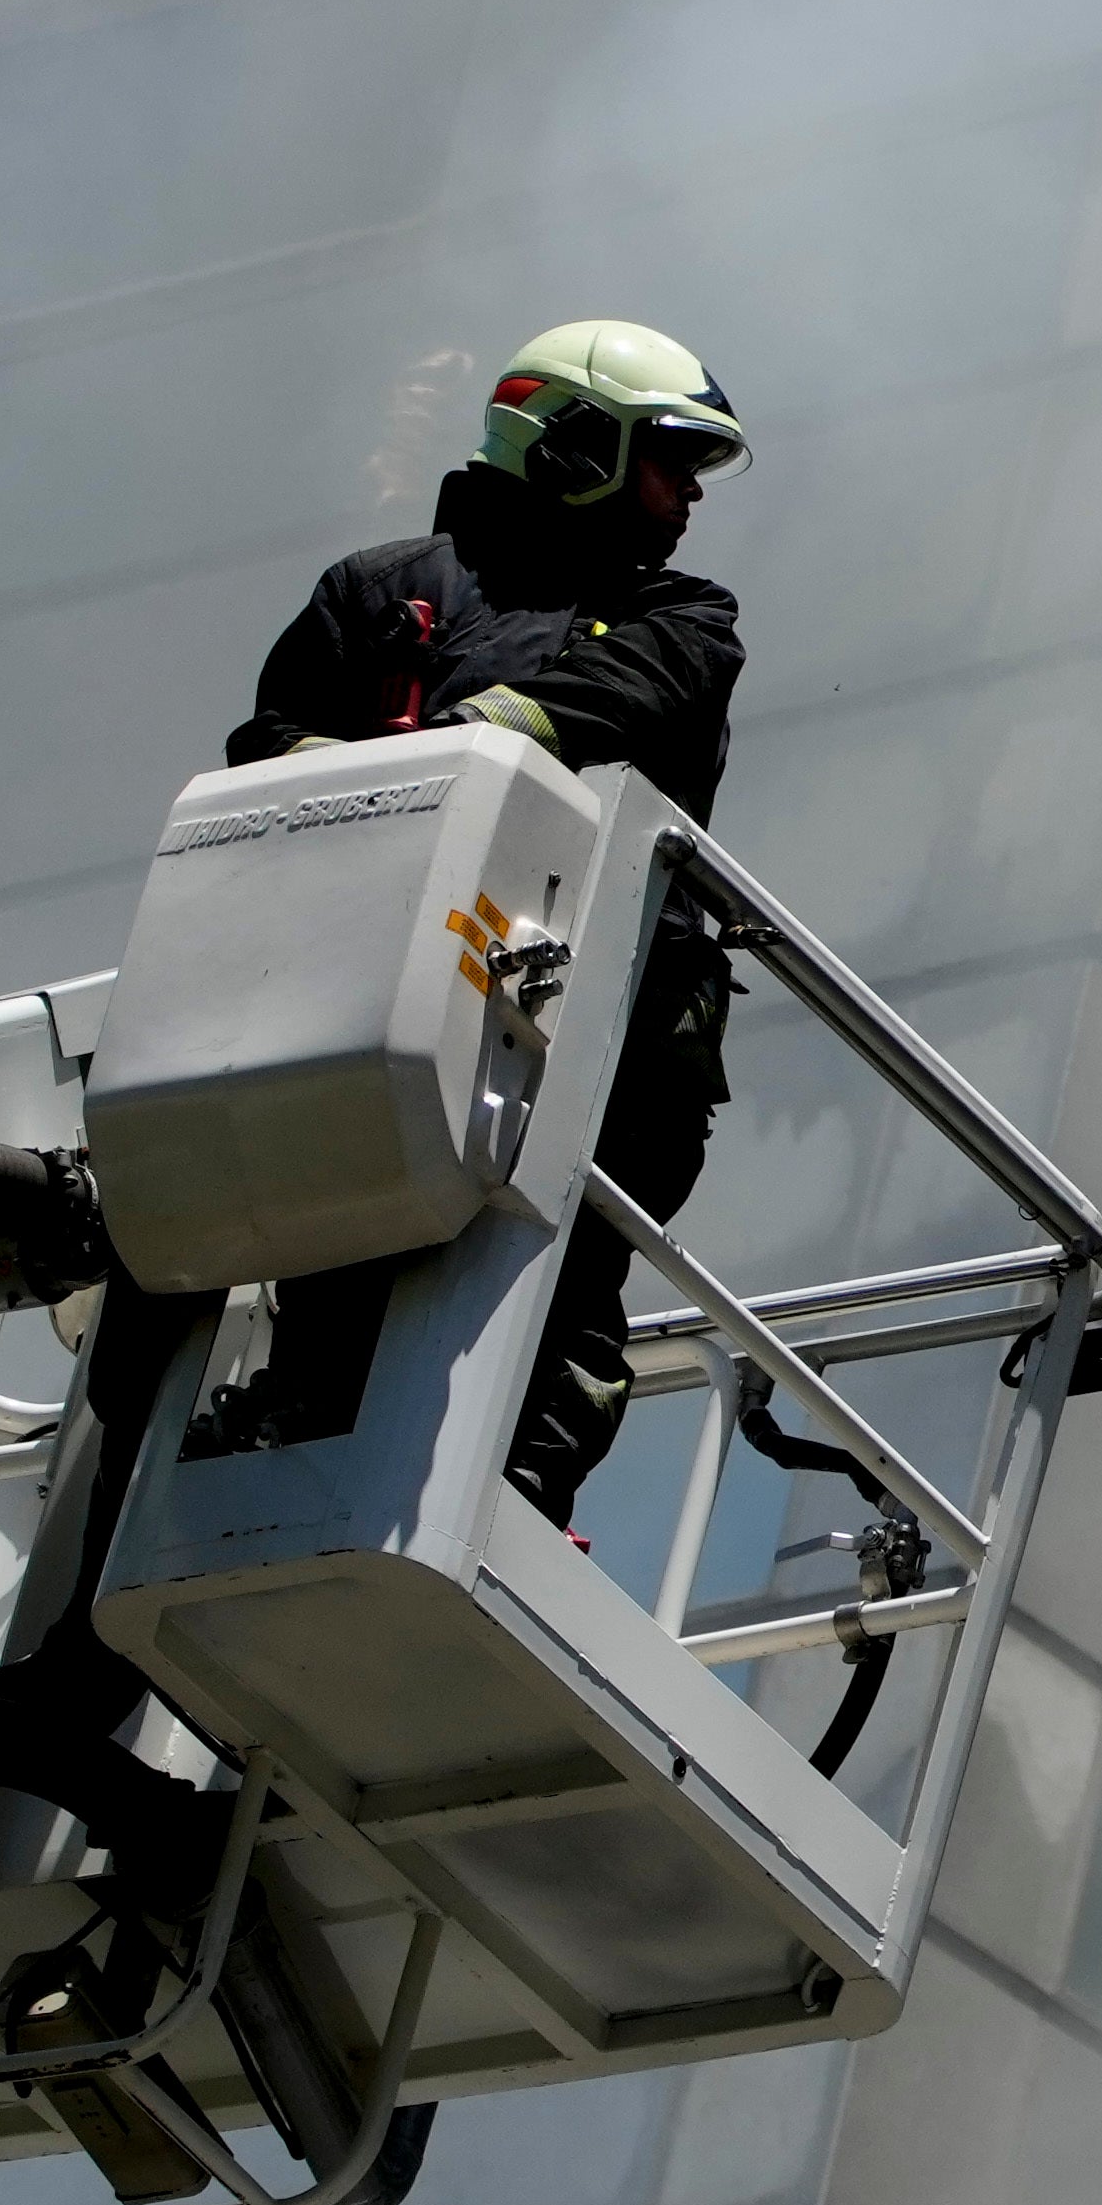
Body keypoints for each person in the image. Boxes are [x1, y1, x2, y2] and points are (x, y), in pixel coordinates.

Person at [228, 321, 752, 1518]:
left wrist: (429, 752)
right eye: (671, 461)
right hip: (367, 1002)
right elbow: (263, 745)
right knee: (339, 1269)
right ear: (577, 448)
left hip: (602, 1041)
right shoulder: (374, 591)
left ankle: (509, 1507)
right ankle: (302, 1452)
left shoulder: (681, 615)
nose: (686, 499)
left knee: (547, 1300)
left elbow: (613, 703)